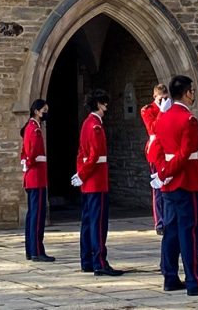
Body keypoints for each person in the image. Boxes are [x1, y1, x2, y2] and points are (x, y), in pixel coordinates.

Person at [154, 75, 198, 296]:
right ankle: (194, 281)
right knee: (189, 231)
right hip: (185, 180)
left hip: (169, 181)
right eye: (191, 90)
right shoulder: (188, 119)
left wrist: (163, 171)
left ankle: (170, 276)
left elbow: (156, 149)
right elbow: (185, 153)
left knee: (171, 231)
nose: (193, 94)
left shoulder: (162, 118)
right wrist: (169, 171)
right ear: (187, 92)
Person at [74, 89, 122, 276]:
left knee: (87, 222)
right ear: (98, 104)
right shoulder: (95, 126)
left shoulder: (87, 123)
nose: (106, 106)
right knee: (98, 223)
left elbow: (81, 154)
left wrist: (80, 174)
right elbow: (94, 156)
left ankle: (87, 260)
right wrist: (83, 174)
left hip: (89, 182)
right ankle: (99, 262)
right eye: (104, 103)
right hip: (96, 181)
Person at [20, 99, 53, 262]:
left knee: (33, 215)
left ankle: (31, 249)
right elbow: (31, 154)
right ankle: (37, 251)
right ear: (36, 111)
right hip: (36, 177)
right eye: (44, 110)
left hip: (34, 176)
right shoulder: (34, 129)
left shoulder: (32, 127)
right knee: (37, 216)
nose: (46, 112)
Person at [141, 83, 170, 234]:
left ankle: (170, 219)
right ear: (155, 97)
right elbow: (152, 128)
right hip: (156, 152)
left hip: (169, 152)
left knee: (169, 187)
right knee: (158, 189)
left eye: (165, 99)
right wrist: (162, 112)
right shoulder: (148, 110)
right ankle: (159, 222)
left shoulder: (170, 109)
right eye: (160, 99)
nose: (163, 102)